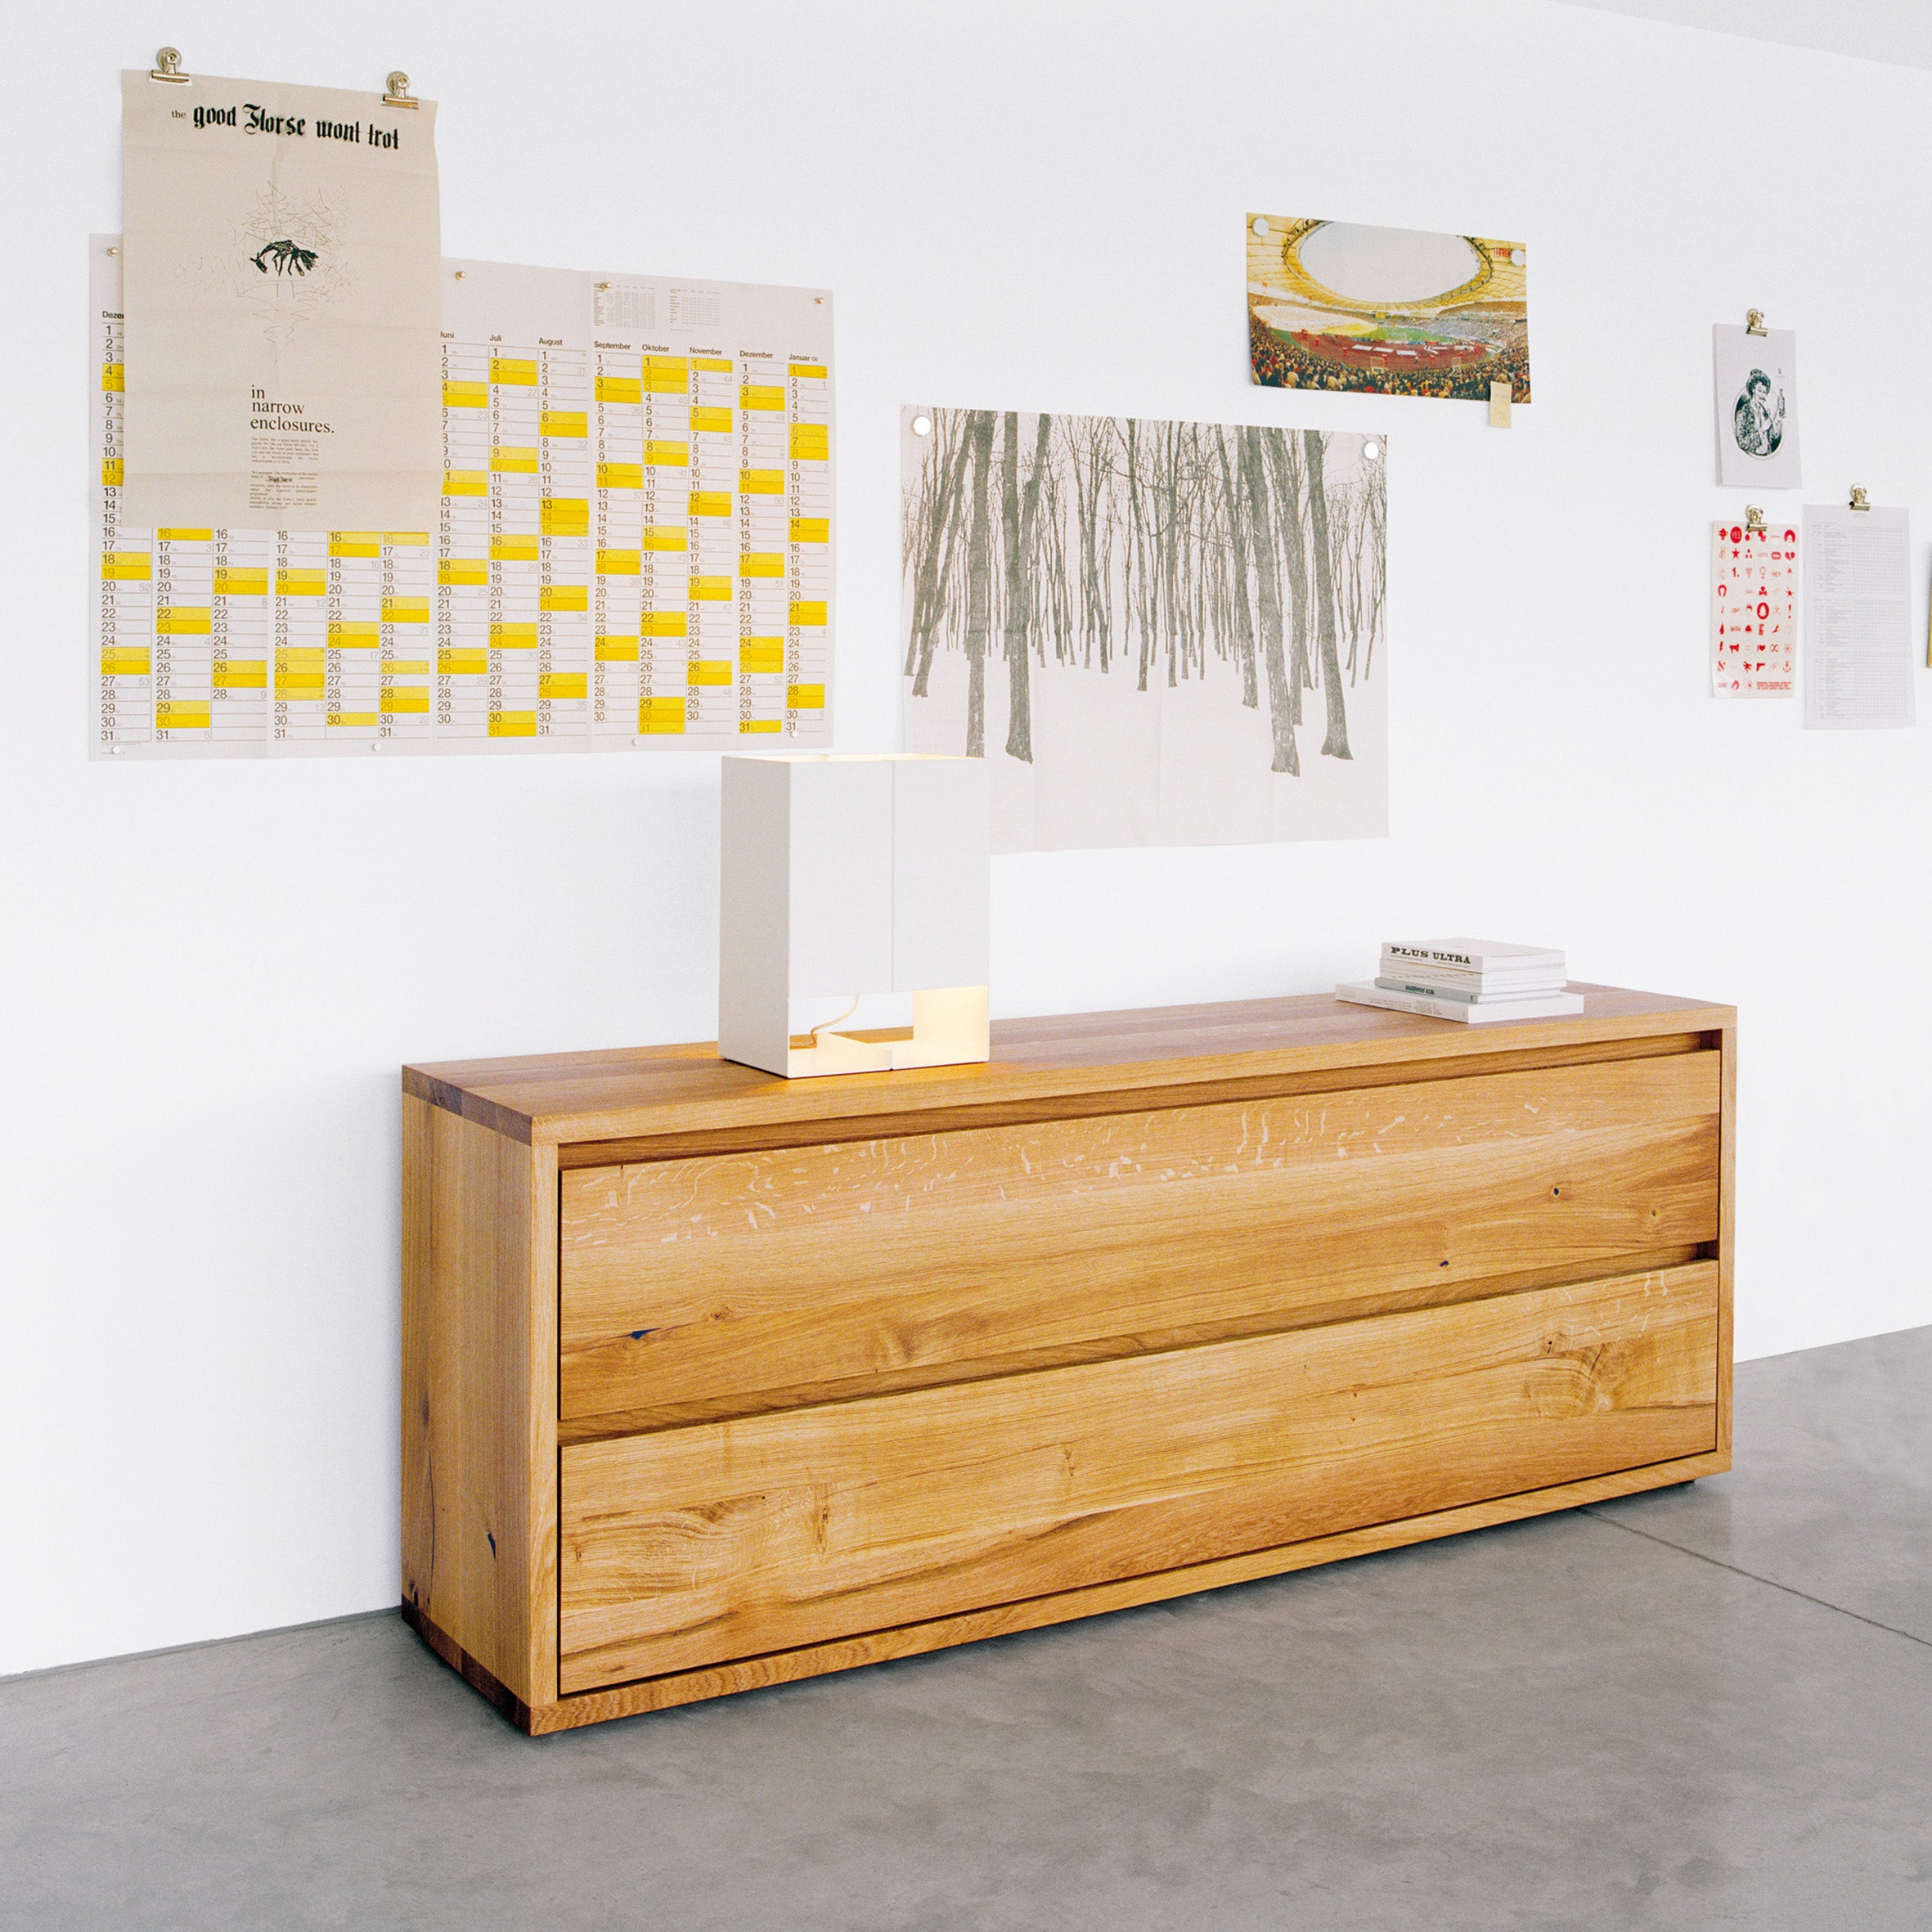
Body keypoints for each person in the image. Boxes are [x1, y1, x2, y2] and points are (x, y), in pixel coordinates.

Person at [1734, 370, 1784, 457]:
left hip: (1767, 456)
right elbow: (1742, 443)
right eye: (1760, 390)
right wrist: (1761, 430)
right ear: (1753, 389)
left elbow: (1771, 437)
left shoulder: (1764, 412)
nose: (1763, 395)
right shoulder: (1743, 413)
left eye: (1765, 392)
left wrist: (1777, 420)